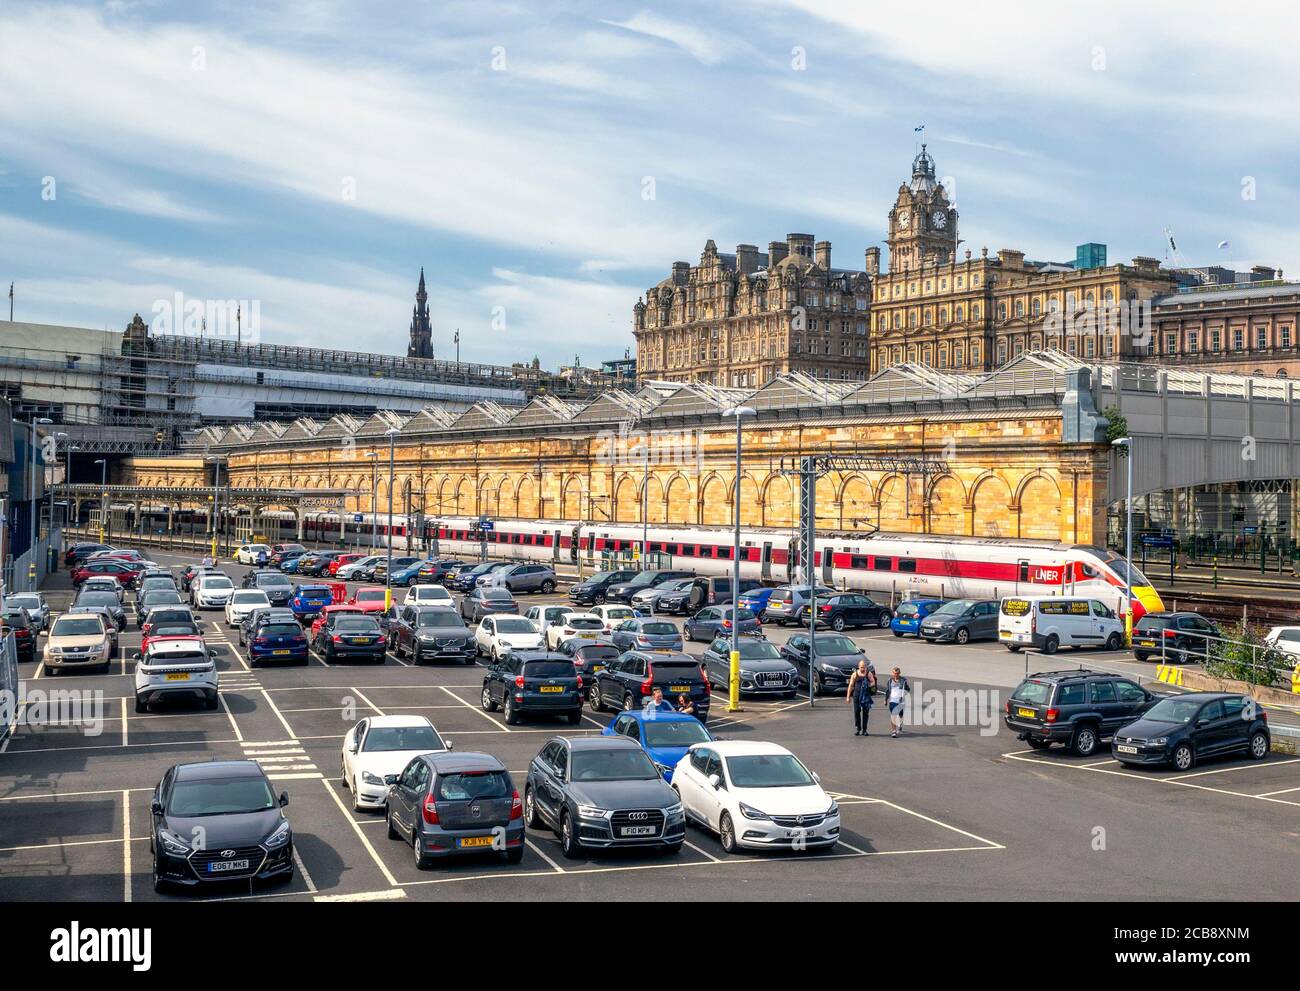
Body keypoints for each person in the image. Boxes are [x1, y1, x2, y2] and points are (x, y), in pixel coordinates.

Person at [846, 657, 876, 737]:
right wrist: (848, 697)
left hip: (865, 695)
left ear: (866, 667)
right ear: (859, 667)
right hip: (857, 695)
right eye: (861, 667)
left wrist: (869, 685)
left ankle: (864, 729)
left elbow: (873, 682)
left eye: (864, 667)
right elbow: (851, 685)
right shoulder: (855, 674)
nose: (863, 668)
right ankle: (858, 728)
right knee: (857, 711)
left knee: (865, 713)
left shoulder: (868, 674)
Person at [884, 667, 911, 738]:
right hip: (892, 701)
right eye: (894, 673)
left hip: (900, 701)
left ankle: (899, 725)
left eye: (897, 673)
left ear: (899, 673)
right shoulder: (890, 680)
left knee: (900, 715)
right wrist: (886, 700)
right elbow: (887, 691)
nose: (896, 675)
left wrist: (904, 694)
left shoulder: (903, 681)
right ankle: (894, 731)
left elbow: (908, 689)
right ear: (893, 673)